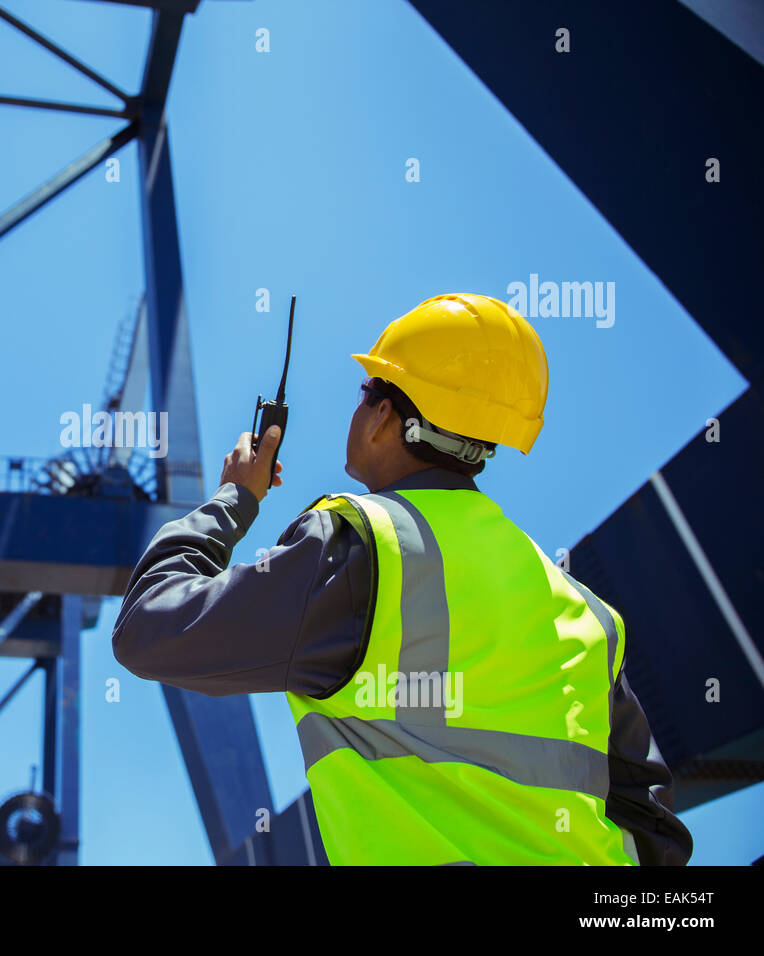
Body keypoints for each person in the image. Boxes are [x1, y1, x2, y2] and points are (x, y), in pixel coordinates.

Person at [111, 292, 693, 865]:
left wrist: (234, 499)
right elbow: (653, 823)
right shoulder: (586, 611)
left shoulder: (361, 547)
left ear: (384, 415)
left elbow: (147, 627)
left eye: (367, 391)